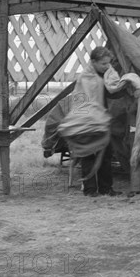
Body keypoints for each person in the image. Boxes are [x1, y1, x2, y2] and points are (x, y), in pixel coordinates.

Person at [59, 47, 126, 197]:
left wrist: (122, 84)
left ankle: (106, 188)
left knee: (106, 154)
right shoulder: (85, 77)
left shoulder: (106, 75)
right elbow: (81, 101)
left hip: (101, 119)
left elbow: (111, 93)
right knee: (88, 154)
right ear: (93, 62)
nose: (107, 66)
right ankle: (90, 190)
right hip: (86, 120)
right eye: (103, 63)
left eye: (109, 63)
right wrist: (90, 117)